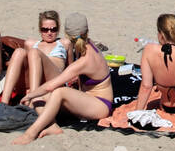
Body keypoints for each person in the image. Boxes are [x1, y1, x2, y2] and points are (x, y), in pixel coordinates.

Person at [11, 13, 114, 143]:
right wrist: (34, 95)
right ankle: (52, 126)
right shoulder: (87, 44)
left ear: (66, 34)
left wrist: (28, 96)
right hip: (86, 99)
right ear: (86, 32)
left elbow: (51, 85)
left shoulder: (85, 60)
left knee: (58, 92)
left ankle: (31, 133)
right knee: (39, 97)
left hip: (100, 105)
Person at [0, 10, 67, 104]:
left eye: (53, 29)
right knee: (19, 51)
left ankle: (32, 99)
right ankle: (4, 103)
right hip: (32, 82)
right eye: (45, 29)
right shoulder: (31, 44)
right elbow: (26, 67)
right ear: (40, 30)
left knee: (34, 52)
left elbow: (71, 67)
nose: (49, 33)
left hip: (53, 80)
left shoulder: (64, 43)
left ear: (58, 29)